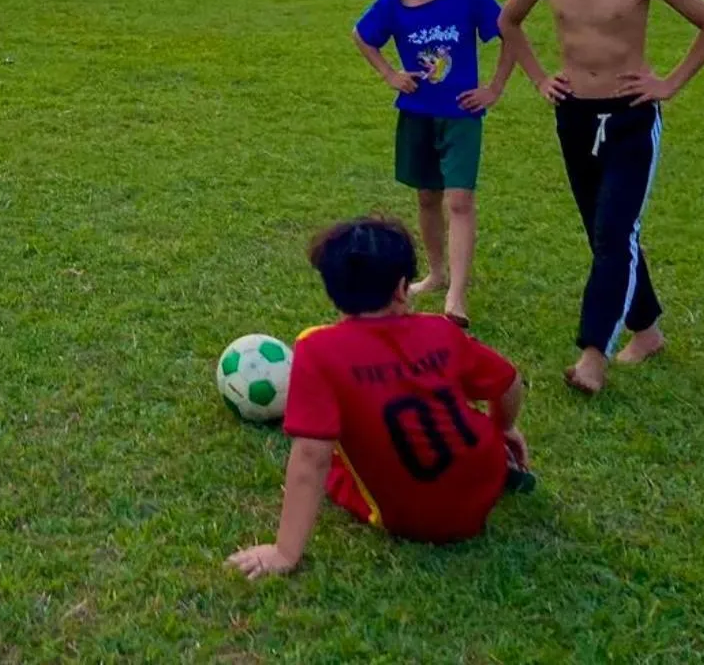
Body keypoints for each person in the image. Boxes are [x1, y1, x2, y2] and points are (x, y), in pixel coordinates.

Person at [495, 0, 704, 395]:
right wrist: (537, 78)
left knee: (614, 234)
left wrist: (669, 83)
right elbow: (508, 21)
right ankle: (646, 332)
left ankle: (592, 354)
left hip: (629, 120)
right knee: (605, 234)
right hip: (574, 117)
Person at [227, 216, 531, 580]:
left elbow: (311, 456)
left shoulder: (317, 348)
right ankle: (503, 467)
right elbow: (509, 382)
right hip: (487, 476)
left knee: (336, 461)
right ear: (403, 289)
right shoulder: (441, 328)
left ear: (331, 289)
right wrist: (505, 428)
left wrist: (284, 551)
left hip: (409, 516)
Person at [352, 0, 505, 328]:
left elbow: (510, 33)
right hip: (418, 112)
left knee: (460, 200)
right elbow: (363, 36)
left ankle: (456, 295)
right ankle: (436, 274)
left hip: (461, 115)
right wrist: (390, 74)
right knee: (426, 197)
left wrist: (493, 87)